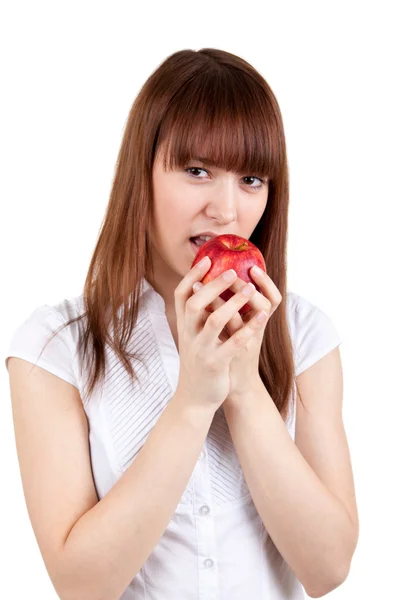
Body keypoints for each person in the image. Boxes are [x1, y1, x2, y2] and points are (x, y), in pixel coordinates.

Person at [5, 48, 358, 600]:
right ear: (140, 173)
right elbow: (79, 584)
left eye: (251, 179)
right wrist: (193, 401)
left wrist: (242, 382)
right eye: (197, 171)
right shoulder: (57, 347)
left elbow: (328, 567)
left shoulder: (305, 333)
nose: (226, 211)